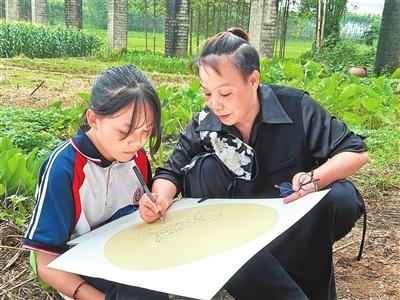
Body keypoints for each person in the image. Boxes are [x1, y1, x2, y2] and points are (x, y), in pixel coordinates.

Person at [139, 28, 368, 299]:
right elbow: (172, 170)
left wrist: (314, 178)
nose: (215, 104)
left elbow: (355, 151)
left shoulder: (295, 107)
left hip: (291, 209)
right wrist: (159, 198)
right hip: (234, 221)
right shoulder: (205, 121)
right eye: (207, 94)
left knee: (342, 197)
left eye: (225, 93)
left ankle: (281, 260)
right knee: (203, 171)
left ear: (253, 80)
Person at [23, 65, 168, 300]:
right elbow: (46, 263)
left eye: (146, 132)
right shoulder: (64, 168)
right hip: (83, 275)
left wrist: (149, 210)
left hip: (127, 256)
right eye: (125, 132)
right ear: (94, 119)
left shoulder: (137, 160)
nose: (136, 143)